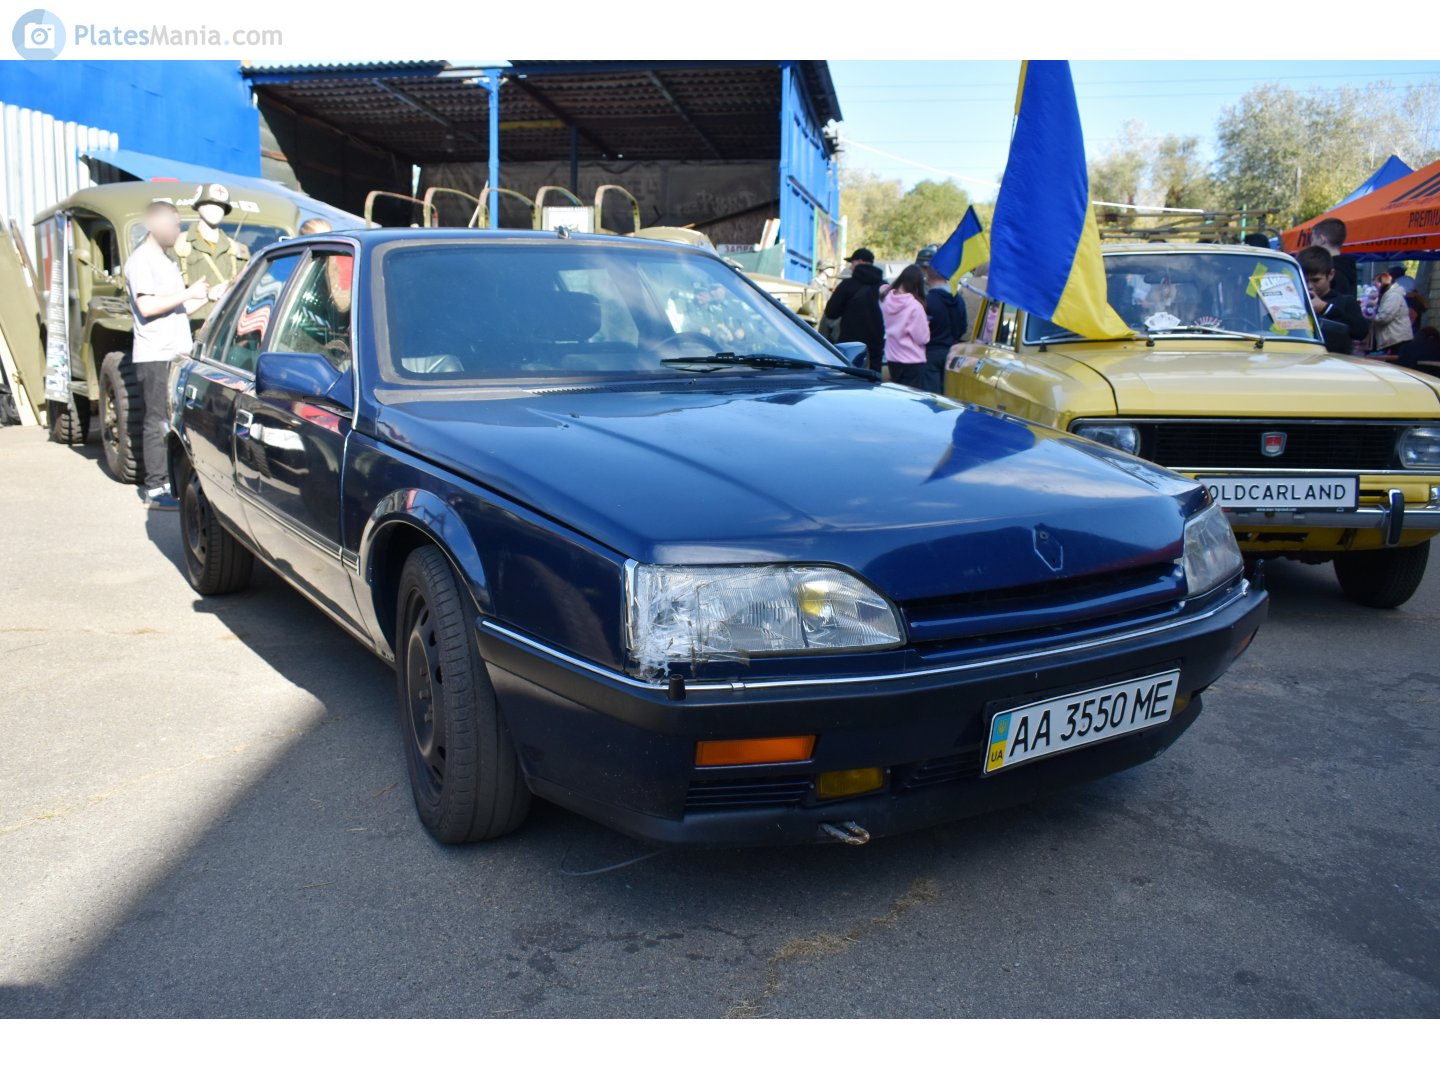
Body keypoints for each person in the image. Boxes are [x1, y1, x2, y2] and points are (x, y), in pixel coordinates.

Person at [124, 200, 214, 509]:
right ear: (152, 225)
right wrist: (188, 292)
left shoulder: (165, 261)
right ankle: (156, 488)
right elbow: (147, 307)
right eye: (172, 225)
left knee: (171, 419)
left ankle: (168, 482)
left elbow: (178, 311)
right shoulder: (142, 261)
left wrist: (207, 297)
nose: (177, 230)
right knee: (156, 421)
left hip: (175, 352)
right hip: (155, 354)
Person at [174, 183, 249, 318]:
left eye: (221, 205)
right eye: (209, 204)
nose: (215, 209)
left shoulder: (237, 251)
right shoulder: (178, 246)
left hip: (222, 328)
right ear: (198, 206)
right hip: (189, 325)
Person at [822, 248, 885, 372]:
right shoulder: (884, 286)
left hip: (850, 346)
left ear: (860, 261)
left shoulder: (847, 285)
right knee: (873, 382)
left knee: (850, 380)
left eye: (852, 262)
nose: (851, 267)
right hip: (876, 346)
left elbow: (831, 312)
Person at [1298, 245, 1368, 351]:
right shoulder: (1294, 301)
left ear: (1330, 274)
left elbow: (1361, 331)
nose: (1309, 286)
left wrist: (1326, 309)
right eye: (1304, 280)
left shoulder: (1346, 301)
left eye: (1316, 280)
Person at [879, 264, 930, 388]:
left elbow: (883, 288)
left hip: (892, 357)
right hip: (912, 360)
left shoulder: (885, 299)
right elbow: (922, 338)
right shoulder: (915, 306)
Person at [922, 262, 967, 393]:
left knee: (931, 398)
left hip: (931, 351)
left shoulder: (928, 301)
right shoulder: (958, 299)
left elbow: (921, 329)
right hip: (953, 351)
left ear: (928, 277)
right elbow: (963, 326)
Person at [1310, 218, 1358, 299]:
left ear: (1322, 239)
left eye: (1313, 239)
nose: (1311, 244)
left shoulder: (1329, 270)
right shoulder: (1348, 267)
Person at [1370, 271, 1414, 353]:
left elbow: (1384, 318)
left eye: (1376, 285)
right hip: (1395, 339)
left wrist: (1369, 318)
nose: (1375, 288)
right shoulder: (1388, 295)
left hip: (1398, 340)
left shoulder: (1393, 295)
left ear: (1382, 283)